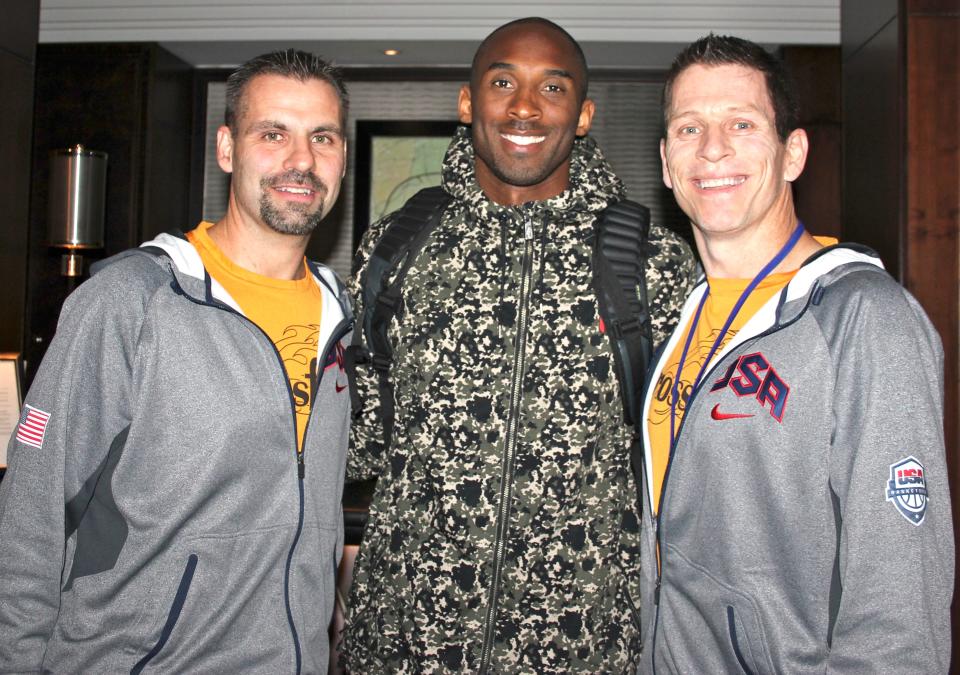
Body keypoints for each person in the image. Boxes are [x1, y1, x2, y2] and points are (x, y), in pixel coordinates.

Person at [342, 17, 698, 673]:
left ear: (583, 114)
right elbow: (354, 435)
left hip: (580, 651)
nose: (525, 106)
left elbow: (693, 472)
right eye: (503, 81)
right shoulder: (399, 247)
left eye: (552, 87)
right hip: (403, 647)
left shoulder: (650, 264)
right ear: (468, 102)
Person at [0, 49, 353, 673]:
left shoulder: (340, 317)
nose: (301, 160)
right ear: (227, 148)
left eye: (321, 137)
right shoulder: (130, 302)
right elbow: (30, 518)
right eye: (272, 134)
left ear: (341, 158)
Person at [640, 34, 954, 672]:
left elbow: (901, 598)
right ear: (668, 163)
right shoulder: (686, 312)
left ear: (793, 153)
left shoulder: (865, 317)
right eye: (689, 127)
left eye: (743, 123)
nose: (714, 148)